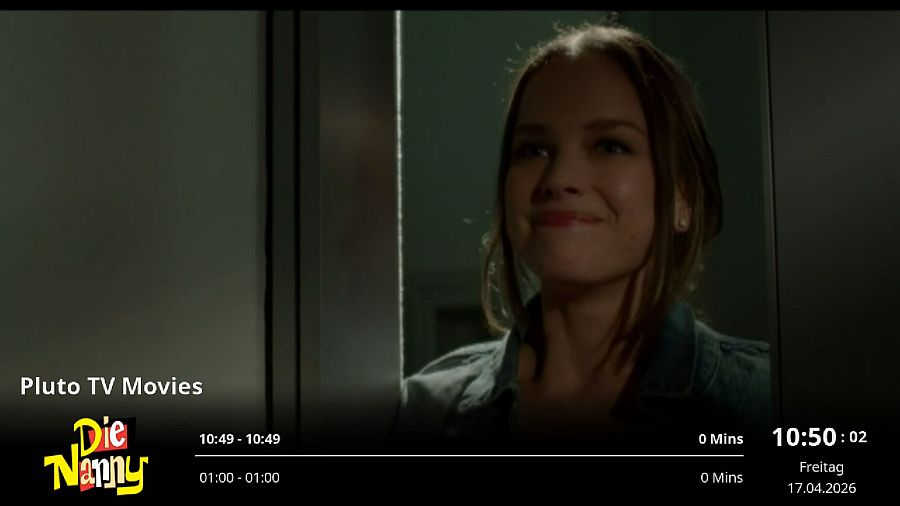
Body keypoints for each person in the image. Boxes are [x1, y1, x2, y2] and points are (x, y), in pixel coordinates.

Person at [392, 22, 770, 452]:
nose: (559, 178)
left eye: (609, 145)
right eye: (534, 149)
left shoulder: (766, 401)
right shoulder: (425, 414)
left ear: (682, 196)